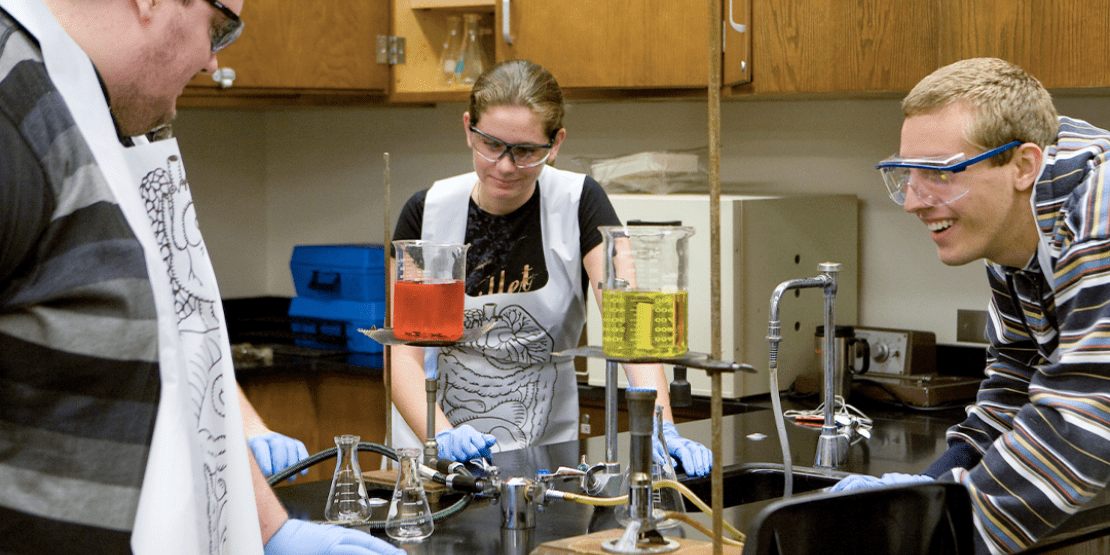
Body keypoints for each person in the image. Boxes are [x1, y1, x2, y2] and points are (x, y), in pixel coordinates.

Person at [0, 1, 400, 553]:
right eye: (219, 27)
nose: (214, 62)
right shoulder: (14, 109)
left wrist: (267, 527)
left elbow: (185, 349)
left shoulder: (110, 118)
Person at [831, 57, 1110, 554]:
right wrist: (927, 492)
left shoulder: (1097, 217)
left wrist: (935, 538)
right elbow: (1014, 383)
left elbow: (1084, 418)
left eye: (939, 173)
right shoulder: (1017, 224)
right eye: (906, 173)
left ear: (1022, 165)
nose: (915, 201)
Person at [389, 59, 712, 477]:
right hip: (435, 458)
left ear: (555, 143)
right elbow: (404, 358)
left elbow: (631, 326)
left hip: (543, 459)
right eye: (491, 144)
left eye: (525, 151)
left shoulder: (581, 204)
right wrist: (441, 437)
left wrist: (662, 425)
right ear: (468, 128)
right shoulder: (426, 214)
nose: (505, 166)